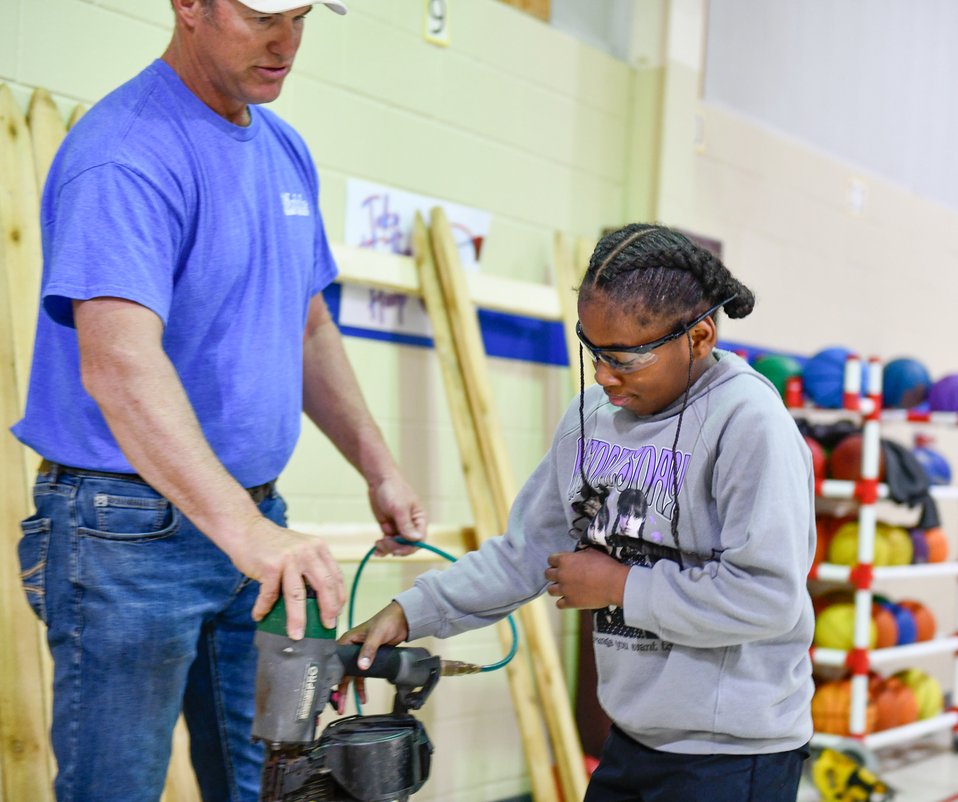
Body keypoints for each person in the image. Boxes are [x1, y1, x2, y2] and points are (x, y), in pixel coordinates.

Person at [11, 1, 426, 799]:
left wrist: (378, 466)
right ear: (189, 6)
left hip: (254, 527)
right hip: (126, 533)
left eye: (300, 17)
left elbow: (307, 327)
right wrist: (247, 531)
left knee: (268, 783)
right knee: (115, 790)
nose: (285, 41)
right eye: (262, 15)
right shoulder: (125, 154)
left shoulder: (283, 148)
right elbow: (119, 366)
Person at [341, 224, 816, 801]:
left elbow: (767, 596)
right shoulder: (592, 415)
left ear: (698, 337)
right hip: (634, 740)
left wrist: (619, 585)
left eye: (625, 359)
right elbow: (524, 554)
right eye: (593, 351)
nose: (602, 376)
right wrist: (410, 612)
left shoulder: (748, 422)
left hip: (732, 756)